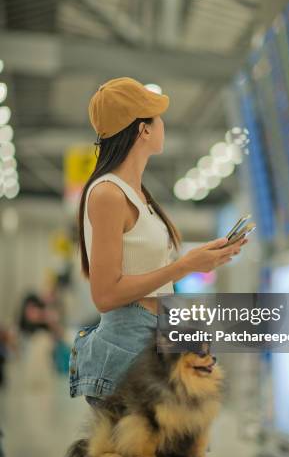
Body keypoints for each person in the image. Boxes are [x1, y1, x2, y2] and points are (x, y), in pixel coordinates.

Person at [69, 77, 246, 408]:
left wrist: (199, 260)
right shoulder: (108, 193)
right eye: (156, 117)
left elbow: (147, 276)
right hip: (128, 346)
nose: (163, 124)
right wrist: (184, 266)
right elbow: (105, 295)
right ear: (142, 130)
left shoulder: (138, 195)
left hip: (155, 334)